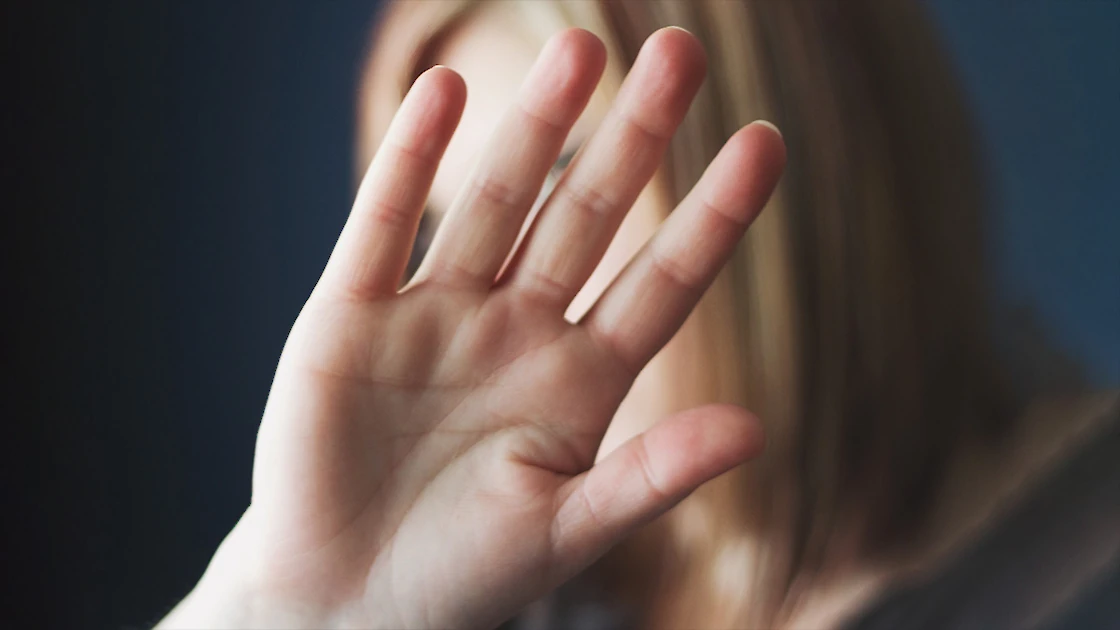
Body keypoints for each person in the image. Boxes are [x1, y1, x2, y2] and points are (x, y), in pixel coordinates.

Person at [159, 1, 1119, 629]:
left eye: (568, 169)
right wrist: (284, 607)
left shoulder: (1081, 552)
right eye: (452, 228)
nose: (491, 299)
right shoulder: (517, 593)